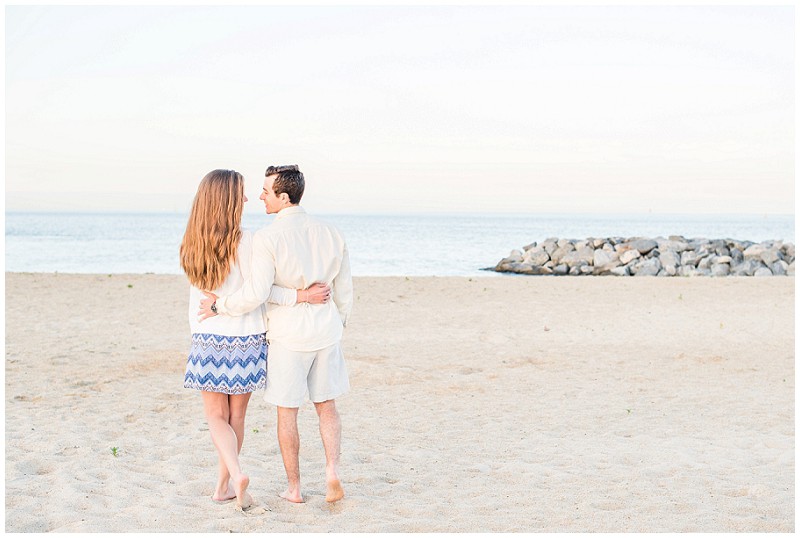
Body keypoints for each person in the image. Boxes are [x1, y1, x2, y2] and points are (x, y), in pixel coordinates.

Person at [197, 164, 353, 504]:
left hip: (287, 335)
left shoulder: (268, 237)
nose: (260, 196)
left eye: (266, 191)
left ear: (283, 196)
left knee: (288, 411)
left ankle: (294, 489)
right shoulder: (331, 231)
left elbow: (259, 293)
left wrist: (219, 306)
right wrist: (337, 321)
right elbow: (344, 288)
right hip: (326, 331)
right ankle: (332, 471)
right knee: (327, 406)